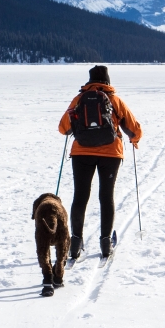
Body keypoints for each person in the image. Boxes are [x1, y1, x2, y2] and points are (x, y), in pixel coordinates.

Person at [58, 64, 142, 259]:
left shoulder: (79, 100)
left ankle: (75, 242)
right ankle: (105, 243)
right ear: (107, 81)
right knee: (106, 196)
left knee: (80, 196)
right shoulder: (114, 100)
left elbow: (63, 128)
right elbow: (134, 128)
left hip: (81, 153)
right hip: (111, 154)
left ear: (90, 81)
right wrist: (134, 140)